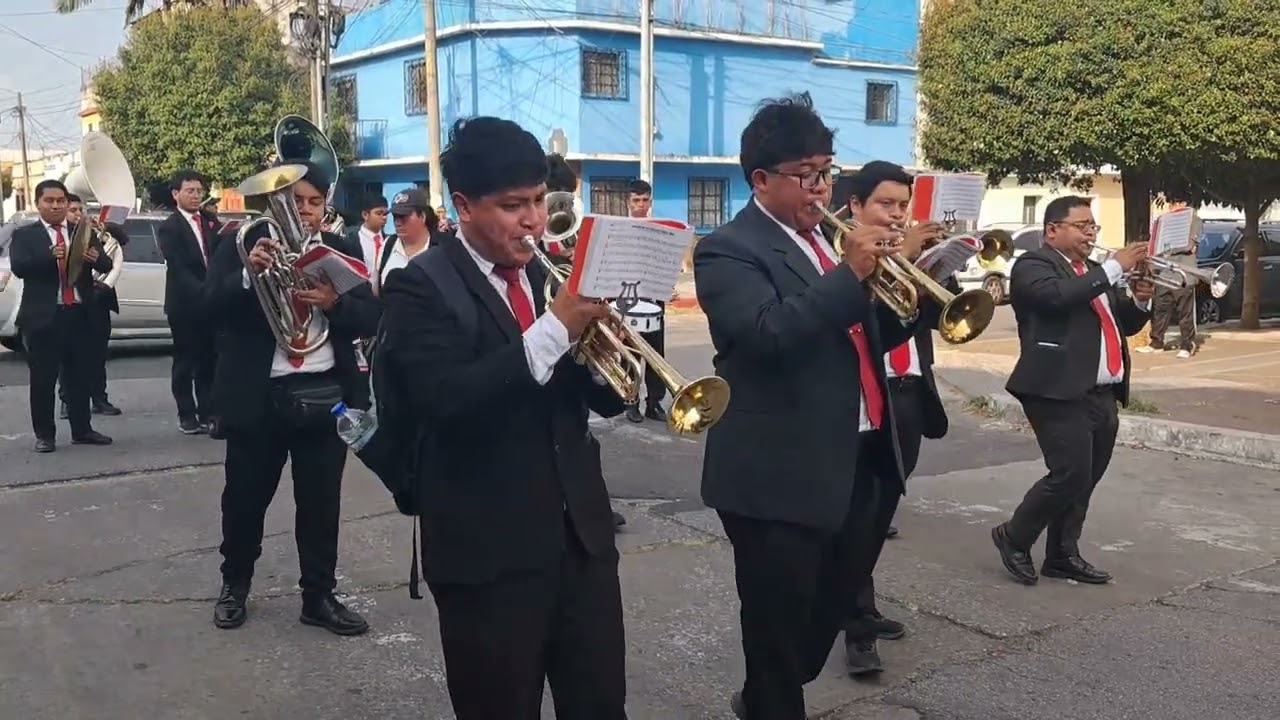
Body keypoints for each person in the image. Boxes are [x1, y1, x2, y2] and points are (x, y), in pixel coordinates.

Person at [380, 116, 628, 719]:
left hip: (580, 542)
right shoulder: (419, 287)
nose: (535, 220)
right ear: (462, 206)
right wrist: (556, 330)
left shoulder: (546, 274)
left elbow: (606, 400)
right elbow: (446, 400)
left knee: (600, 707)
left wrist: (603, 350)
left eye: (540, 201)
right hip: (486, 555)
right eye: (514, 206)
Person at [693, 93, 920, 719]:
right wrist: (849, 277)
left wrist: (921, 291)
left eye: (826, 169)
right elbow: (768, 333)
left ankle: (768, 690)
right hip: (776, 474)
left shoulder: (825, 241)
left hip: (860, 458)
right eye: (806, 175)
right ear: (761, 179)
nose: (821, 187)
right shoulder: (728, 248)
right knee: (776, 630)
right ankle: (770, 696)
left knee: (824, 617)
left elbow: (867, 337)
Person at [203, 160, 381, 635]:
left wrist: (336, 304)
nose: (304, 210)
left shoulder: (340, 249)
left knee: (321, 506)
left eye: (313, 202)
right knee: (244, 501)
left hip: (325, 396)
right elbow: (206, 307)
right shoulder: (242, 244)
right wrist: (246, 277)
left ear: (326, 207)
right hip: (259, 397)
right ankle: (234, 585)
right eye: (295, 200)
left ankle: (318, 596)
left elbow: (372, 318)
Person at [993, 195, 1152, 586]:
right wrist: (1115, 266)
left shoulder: (1093, 270)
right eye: (1082, 225)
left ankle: (1062, 553)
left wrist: (1140, 298)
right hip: (1054, 388)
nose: (1091, 233)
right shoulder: (1033, 265)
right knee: (1068, 473)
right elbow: (1056, 298)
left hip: (1100, 392)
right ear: (1052, 230)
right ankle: (1013, 536)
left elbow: (1123, 324)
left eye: (1093, 226)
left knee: (1086, 479)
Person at [836, 160, 954, 674]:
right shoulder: (837, 257)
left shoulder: (906, 253)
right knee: (851, 519)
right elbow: (841, 320)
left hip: (906, 394)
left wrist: (928, 275)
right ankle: (855, 627)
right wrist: (890, 261)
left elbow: (918, 319)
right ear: (855, 206)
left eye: (903, 205)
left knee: (880, 513)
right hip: (855, 404)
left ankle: (857, 604)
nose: (897, 215)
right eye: (886, 204)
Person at [545, 151, 628, 532]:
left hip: (573, 414)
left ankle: (589, 505)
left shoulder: (575, 245)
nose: (556, 207)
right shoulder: (528, 258)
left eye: (566, 195)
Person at [8, 180, 114, 453]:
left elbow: (105, 264)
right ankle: (45, 435)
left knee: (79, 377)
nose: (56, 205)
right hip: (44, 317)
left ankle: (82, 430)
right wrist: (48, 257)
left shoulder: (81, 232)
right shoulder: (25, 235)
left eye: (60, 200)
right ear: (38, 203)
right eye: (49, 201)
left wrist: (94, 257)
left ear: (67, 203)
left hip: (79, 313)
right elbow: (20, 267)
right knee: (43, 380)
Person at [157, 169, 221, 435]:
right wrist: (204, 292)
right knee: (186, 361)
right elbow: (179, 267)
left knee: (210, 360)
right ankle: (187, 414)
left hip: (211, 302)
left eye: (199, 191)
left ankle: (207, 412)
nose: (196, 196)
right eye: (190, 191)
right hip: (185, 304)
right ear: (176, 194)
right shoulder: (169, 227)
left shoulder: (210, 220)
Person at [57, 193, 125, 418]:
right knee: (69, 357)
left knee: (97, 354)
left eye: (80, 209)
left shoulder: (91, 234)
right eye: (73, 209)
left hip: (95, 303)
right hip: (68, 304)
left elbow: (107, 264)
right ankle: (68, 401)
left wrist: (96, 257)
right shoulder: (58, 236)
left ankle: (99, 398)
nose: (77, 213)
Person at [621, 178, 671, 424]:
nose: (640, 205)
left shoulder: (660, 229)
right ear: (627, 202)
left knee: (655, 354)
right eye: (635, 200)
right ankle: (631, 402)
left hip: (654, 300)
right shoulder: (619, 230)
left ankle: (654, 403)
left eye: (645, 200)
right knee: (629, 353)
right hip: (626, 300)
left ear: (650, 201)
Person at [1138, 238, 1197, 358]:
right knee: (1160, 309)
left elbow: (1189, 246)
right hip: (1163, 274)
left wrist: (1166, 248)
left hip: (1184, 274)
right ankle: (1156, 343)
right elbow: (1155, 245)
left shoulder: (1193, 221)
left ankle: (1187, 345)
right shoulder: (1163, 221)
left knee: (1185, 312)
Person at [373, 188, 434, 294]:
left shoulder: (440, 247)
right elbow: (376, 291)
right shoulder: (388, 245)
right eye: (395, 217)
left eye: (403, 216)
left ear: (423, 216)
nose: (397, 222)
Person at [348, 192, 388, 277]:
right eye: (379, 213)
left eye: (385, 214)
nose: (384, 217)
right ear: (365, 215)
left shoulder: (389, 242)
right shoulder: (350, 241)